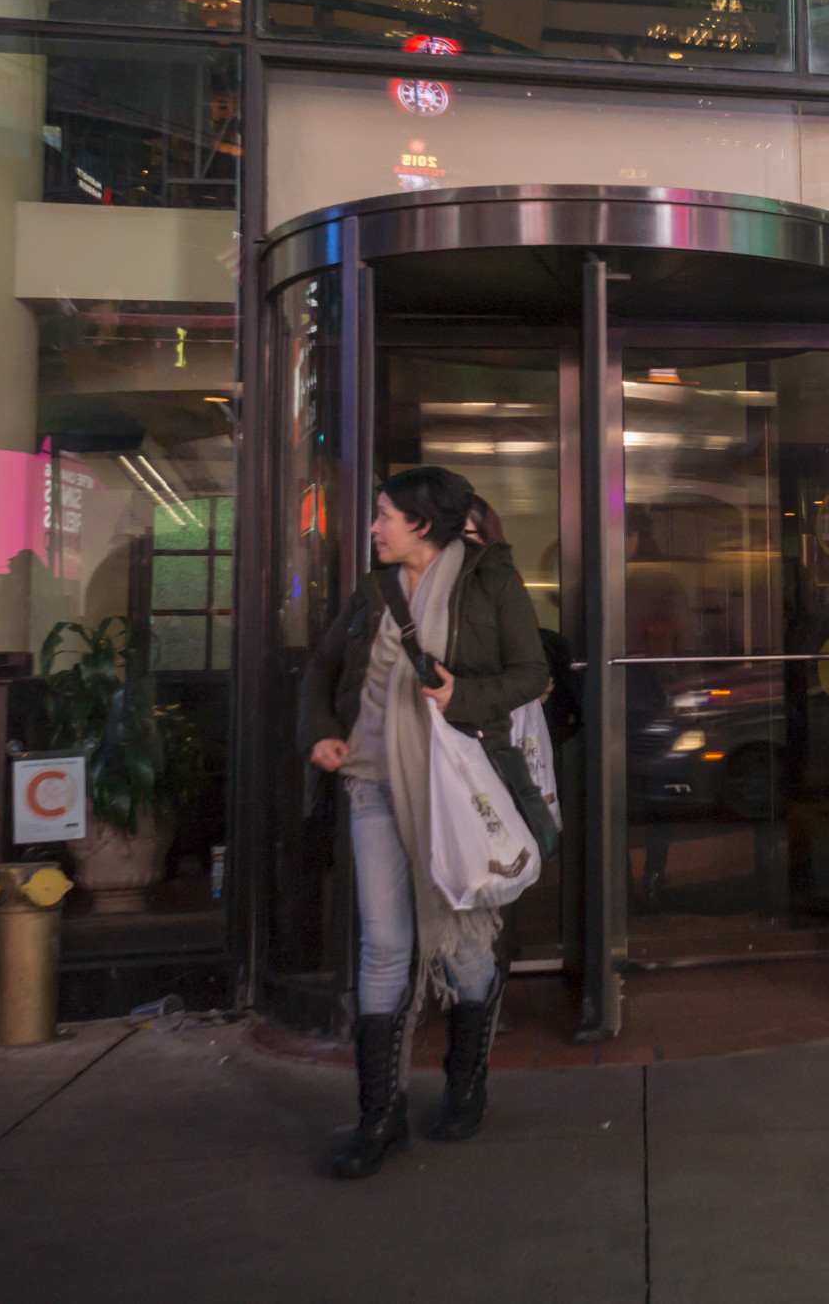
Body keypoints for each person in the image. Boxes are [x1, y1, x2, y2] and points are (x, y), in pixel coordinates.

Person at [299, 466, 554, 1177]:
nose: (373, 526)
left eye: (384, 514)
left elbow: (530, 673)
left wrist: (461, 693)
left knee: (463, 948)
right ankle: (379, 1117)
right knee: (385, 945)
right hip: (372, 783)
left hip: (450, 785)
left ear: (422, 522)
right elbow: (321, 670)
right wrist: (322, 731)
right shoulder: (371, 589)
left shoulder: (488, 579)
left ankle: (466, 1084)